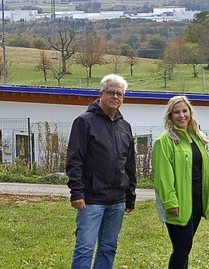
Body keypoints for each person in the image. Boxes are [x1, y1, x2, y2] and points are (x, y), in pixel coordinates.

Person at [66, 74, 137, 269]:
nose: (115, 96)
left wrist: (130, 196)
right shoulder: (84, 122)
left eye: (119, 93)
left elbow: (129, 164)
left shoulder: (125, 127)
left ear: (123, 98)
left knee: (108, 247)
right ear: (101, 94)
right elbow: (74, 160)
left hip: (117, 201)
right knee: (85, 248)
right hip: (91, 199)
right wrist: (77, 193)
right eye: (111, 92)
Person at [152, 95, 209, 269]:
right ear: (170, 116)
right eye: (176, 112)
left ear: (190, 112)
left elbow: (204, 172)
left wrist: (208, 198)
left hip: (196, 201)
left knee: (185, 248)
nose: (181, 115)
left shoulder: (197, 137)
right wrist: (170, 202)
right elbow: (162, 176)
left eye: (184, 111)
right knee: (181, 248)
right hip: (178, 203)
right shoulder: (165, 141)